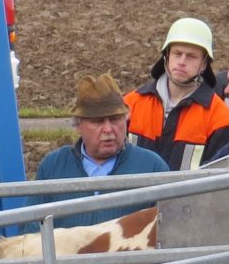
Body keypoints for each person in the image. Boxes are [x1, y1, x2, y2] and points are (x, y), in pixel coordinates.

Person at [29, 73, 169, 229]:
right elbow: (30, 229)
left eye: (115, 119)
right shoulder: (54, 166)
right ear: (78, 125)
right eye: (97, 121)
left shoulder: (152, 167)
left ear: (126, 119)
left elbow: (171, 229)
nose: (108, 129)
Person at [123, 17, 229, 170]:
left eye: (191, 56)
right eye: (177, 53)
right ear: (167, 56)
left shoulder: (219, 117)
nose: (182, 62)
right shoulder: (131, 104)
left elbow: (219, 175)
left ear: (204, 64)